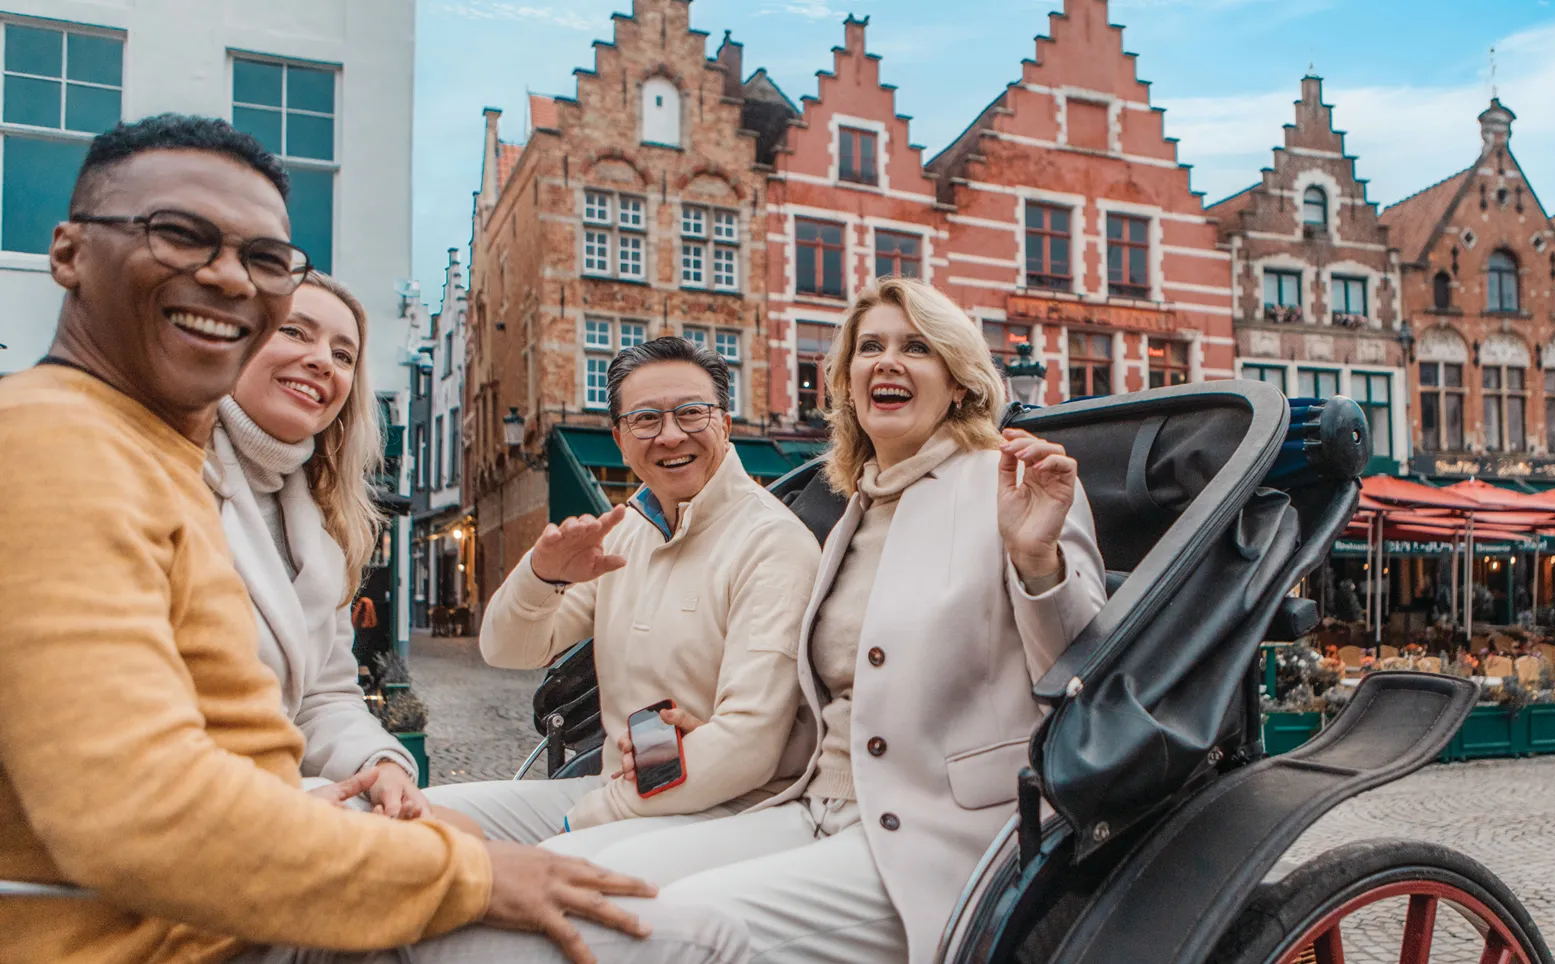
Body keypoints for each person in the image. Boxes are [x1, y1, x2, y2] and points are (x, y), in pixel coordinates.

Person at [0, 113, 742, 964]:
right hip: (186, 931)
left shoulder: (185, 467)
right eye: (178, 235)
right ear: (67, 252)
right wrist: (466, 870)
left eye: (265, 260)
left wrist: (372, 783)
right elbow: (134, 807)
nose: (228, 279)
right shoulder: (65, 448)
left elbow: (300, 706)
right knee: (687, 934)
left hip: (246, 886)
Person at [580, 277, 1108, 963]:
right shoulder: (854, 512)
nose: (887, 361)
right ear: (849, 386)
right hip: (813, 807)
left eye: (916, 346)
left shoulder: (1008, 485)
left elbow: (1083, 679)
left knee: (680, 925)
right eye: (870, 348)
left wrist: (1036, 559)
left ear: (958, 384)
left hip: (938, 832)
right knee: (597, 890)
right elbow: (838, 695)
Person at [426, 336, 822, 851]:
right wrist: (541, 577)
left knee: (523, 879)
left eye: (692, 413)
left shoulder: (772, 543)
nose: (671, 435)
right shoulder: (625, 536)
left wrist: (589, 819)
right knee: (420, 818)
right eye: (646, 419)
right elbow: (506, 649)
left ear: (724, 424)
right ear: (619, 437)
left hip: (722, 813)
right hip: (620, 790)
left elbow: (747, 746)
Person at [205, 271, 437, 821]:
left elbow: (322, 696)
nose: (322, 361)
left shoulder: (320, 519)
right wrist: (294, 803)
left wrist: (380, 762)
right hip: (195, 815)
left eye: (343, 354)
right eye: (294, 332)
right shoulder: (166, 476)